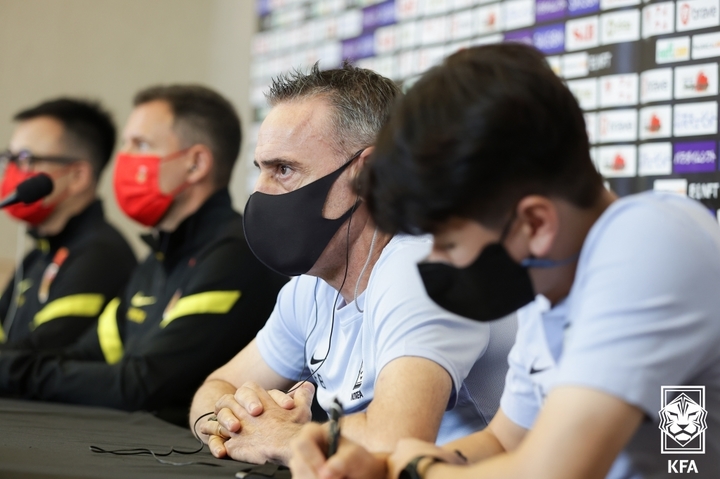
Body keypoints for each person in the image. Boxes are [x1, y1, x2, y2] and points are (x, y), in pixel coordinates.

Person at [289, 44, 720, 479]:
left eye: (447, 241)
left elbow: (553, 471)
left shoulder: (652, 241)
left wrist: (414, 473)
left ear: (534, 223)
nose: (434, 259)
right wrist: (372, 462)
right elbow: (504, 442)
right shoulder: (550, 286)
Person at [189, 63, 516, 465]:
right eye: (261, 170)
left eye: (284, 170)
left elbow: (396, 439)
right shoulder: (311, 287)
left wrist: (283, 434)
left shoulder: (427, 268)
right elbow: (215, 385)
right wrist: (231, 418)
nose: (260, 194)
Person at [0, 85, 287, 426]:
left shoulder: (236, 254)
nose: (123, 159)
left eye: (140, 145)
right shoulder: (160, 256)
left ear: (195, 164)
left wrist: (13, 371)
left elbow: (142, 384)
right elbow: (91, 352)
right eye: (125, 144)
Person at [0, 99, 136, 351]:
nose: (12, 172)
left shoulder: (101, 255)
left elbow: (35, 357)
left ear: (77, 177)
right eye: (9, 158)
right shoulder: (35, 257)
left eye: (26, 159)